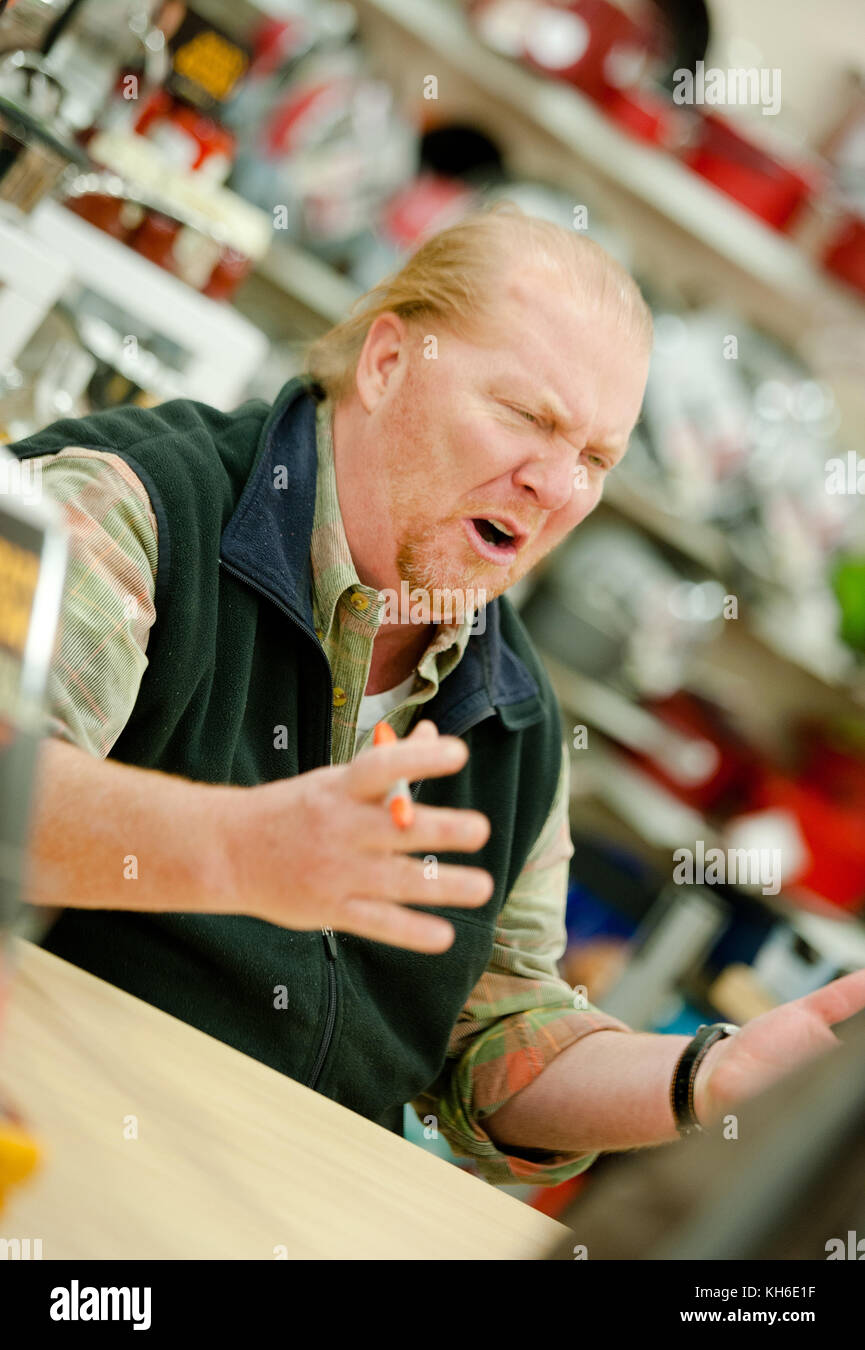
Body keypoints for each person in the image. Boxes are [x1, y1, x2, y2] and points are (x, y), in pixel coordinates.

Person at [11, 205, 865, 1186]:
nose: (554, 483)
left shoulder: (514, 715)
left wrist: (703, 1077)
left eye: (595, 458)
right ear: (385, 364)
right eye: (526, 417)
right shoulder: (133, 508)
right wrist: (239, 851)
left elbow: (501, 1035)